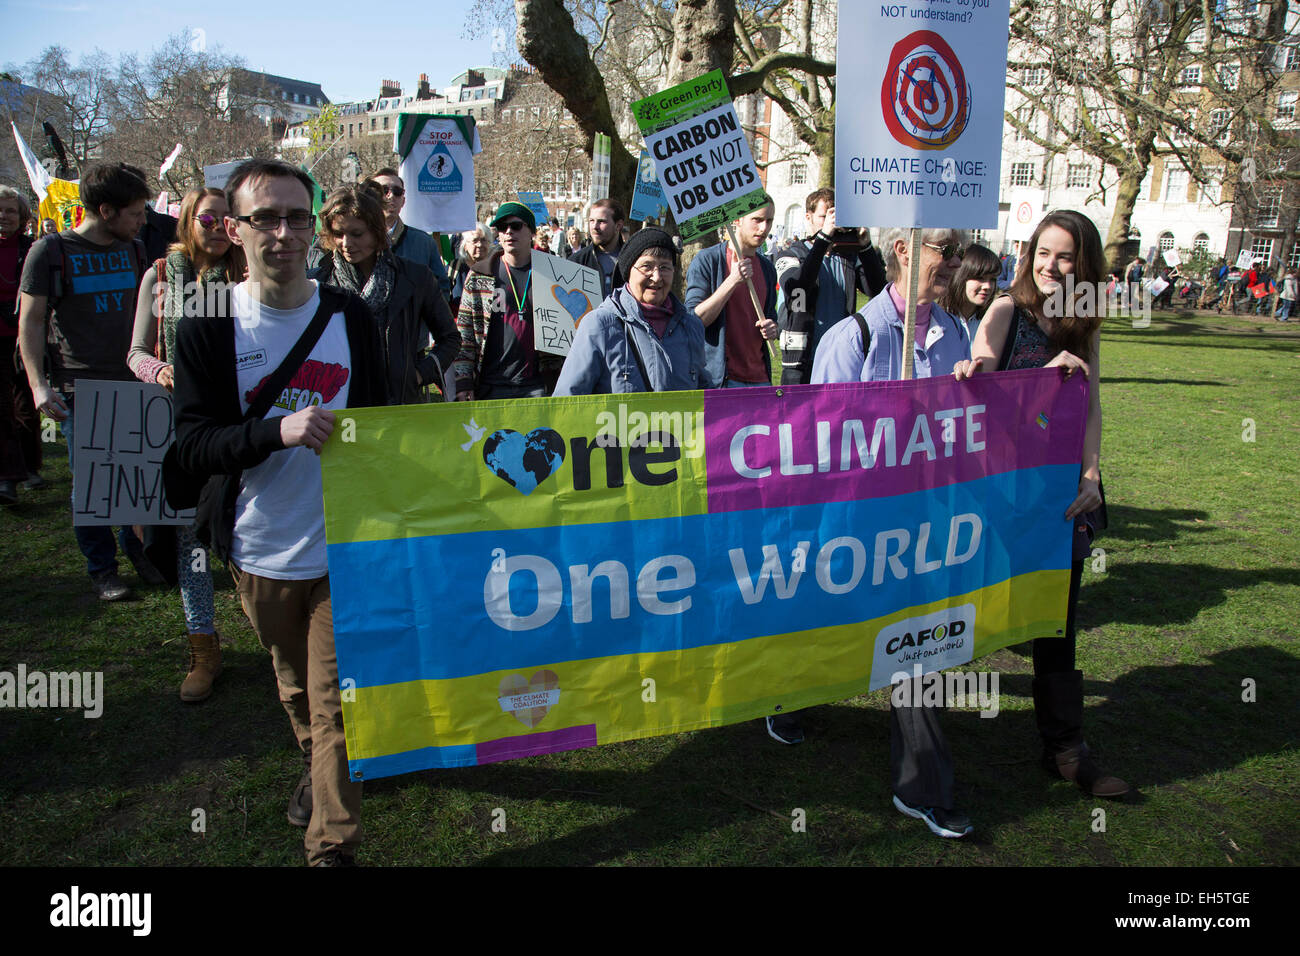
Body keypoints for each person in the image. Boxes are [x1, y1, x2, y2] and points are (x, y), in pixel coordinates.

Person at [170, 158, 388, 865]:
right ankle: (315, 765)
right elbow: (194, 443)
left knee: (336, 703)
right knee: (295, 688)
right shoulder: (208, 323)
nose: (285, 232)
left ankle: (332, 847)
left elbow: (383, 421)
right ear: (234, 229)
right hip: (256, 545)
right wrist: (277, 431)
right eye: (266, 217)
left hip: (341, 546)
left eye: (298, 216)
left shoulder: (350, 315)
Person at [812, 227, 977, 837]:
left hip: (925, 527)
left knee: (919, 644)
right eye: (944, 249)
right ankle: (787, 698)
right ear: (905, 249)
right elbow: (819, 446)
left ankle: (922, 784)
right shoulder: (852, 337)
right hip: (855, 526)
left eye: (959, 251)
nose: (955, 262)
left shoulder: (957, 333)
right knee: (827, 625)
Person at [970, 209, 1128, 802]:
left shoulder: (1083, 323)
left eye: (1064, 256)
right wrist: (981, 369)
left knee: (1059, 624)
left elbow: (1090, 405)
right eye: (1043, 252)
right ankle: (922, 732)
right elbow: (982, 369)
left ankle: (1066, 749)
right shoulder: (1008, 310)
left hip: (1062, 497)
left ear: (1083, 264)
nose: (1050, 265)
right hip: (1002, 496)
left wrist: (1091, 473)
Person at [17, 162, 163, 600]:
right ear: (106, 210)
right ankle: (102, 569)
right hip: (80, 388)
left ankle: (137, 550)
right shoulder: (50, 252)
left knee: (134, 477)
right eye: (135, 213)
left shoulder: (135, 250)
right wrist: (39, 385)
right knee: (93, 486)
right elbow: (31, 322)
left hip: (134, 382)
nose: (142, 221)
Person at [129, 186, 245, 700]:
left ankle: (272, 629)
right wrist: (163, 370)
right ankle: (203, 645)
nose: (218, 227)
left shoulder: (251, 274)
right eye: (207, 218)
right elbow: (135, 352)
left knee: (249, 532)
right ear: (186, 222)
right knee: (189, 543)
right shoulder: (160, 275)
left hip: (244, 425)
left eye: (227, 218)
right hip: (185, 427)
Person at [312, 185, 458, 404]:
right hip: (337, 405)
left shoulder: (415, 277)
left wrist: (418, 375)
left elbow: (450, 338)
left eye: (356, 234)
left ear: (376, 231)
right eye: (338, 234)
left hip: (398, 404)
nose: (346, 243)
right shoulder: (319, 281)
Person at [554, 228, 705, 395]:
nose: (656, 277)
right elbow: (567, 400)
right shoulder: (599, 326)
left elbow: (707, 397)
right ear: (628, 271)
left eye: (664, 267)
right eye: (646, 266)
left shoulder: (691, 326)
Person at [775, 187, 887, 384]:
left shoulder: (847, 258)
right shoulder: (791, 254)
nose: (830, 223)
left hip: (840, 357)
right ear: (808, 217)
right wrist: (823, 239)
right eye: (823, 217)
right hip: (801, 361)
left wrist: (866, 247)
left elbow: (879, 292)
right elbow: (797, 288)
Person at [453, 201, 561, 400]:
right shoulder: (479, 275)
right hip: (490, 385)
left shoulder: (554, 274)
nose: (509, 232)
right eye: (503, 227)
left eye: (516, 226)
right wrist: (463, 380)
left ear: (531, 232)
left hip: (538, 385)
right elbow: (465, 334)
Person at [685, 199, 779, 389]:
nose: (764, 228)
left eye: (769, 221)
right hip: (720, 381)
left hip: (760, 379)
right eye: (757, 220)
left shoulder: (768, 268)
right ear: (737, 220)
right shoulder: (708, 260)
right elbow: (694, 321)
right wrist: (732, 280)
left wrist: (773, 328)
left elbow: (772, 317)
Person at [0, 186, 43, 505]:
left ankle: (31, 467)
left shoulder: (33, 249)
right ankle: (8, 476)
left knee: (26, 404)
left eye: (10, 210)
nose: (3, 216)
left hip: (23, 339)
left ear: (23, 216)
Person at [362, 167, 452, 302]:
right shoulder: (355, 240)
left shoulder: (424, 243)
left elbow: (441, 289)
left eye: (397, 191)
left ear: (403, 201)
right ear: (369, 197)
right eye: (384, 190)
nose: (390, 195)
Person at [569, 199, 626, 300]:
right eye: (591, 221)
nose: (595, 227)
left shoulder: (633, 260)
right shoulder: (577, 261)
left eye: (601, 221)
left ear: (618, 225)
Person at [942, 242, 1000, 339]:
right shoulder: (937, 319)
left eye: (992, 279)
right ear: (960, 277)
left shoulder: (994, 323)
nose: (988, 286)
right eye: (980, 278)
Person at [451, 223, 491, 316]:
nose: (480, 244)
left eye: (484, 240)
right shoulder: (453, 269)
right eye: (475, 240)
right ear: (464, 245)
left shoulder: (496, 268)